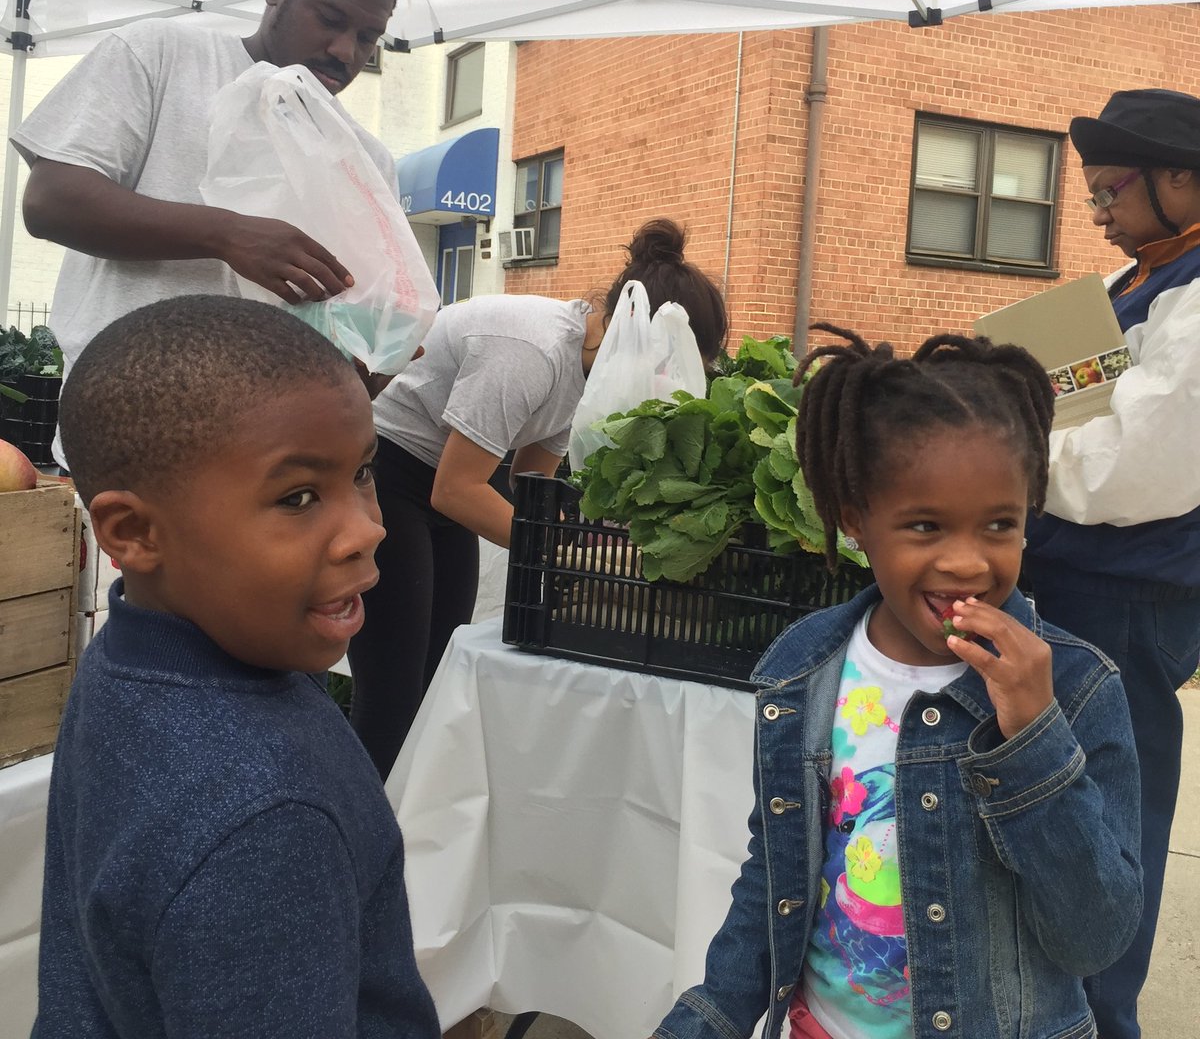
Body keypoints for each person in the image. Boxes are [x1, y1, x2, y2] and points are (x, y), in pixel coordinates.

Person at [654, 324, 1142, 1039]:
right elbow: (777, 881)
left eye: (999, 525)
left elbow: (1095, 937)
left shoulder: (1076, 689)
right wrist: (710, 1016)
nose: (969, 563)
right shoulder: (805, 671)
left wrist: (1034, 739)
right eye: (925, 527)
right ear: (856, 521)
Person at [35, 295, 439, 1039]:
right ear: (134, 533)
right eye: (298, 497)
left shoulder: (130, 654)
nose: (369, 528)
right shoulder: (266, 823)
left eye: (364, 473)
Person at [11, 0, 405, 463]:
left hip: (278, 453)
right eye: (331, 19)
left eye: (369, 37)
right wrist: (227, 235)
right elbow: (52, 200)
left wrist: (382, 350)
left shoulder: (367, 160)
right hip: (135, 432)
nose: (346, 51)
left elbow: (364, 325)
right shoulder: (161, 55)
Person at [351, 217, 727, 779]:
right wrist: (573, 554)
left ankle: (412, 821)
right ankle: (360, 831)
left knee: (443, 662)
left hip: (448, 476)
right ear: (639, 333)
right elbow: (458, 491)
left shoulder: (593, 370)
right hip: (393, 466)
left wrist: (584, 534)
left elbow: (531, 487)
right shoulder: (532, 351)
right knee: (395, 681)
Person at [1022, 87, 1200, 1039]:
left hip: (1129, 592)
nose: (1095, 209)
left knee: (1110, 815)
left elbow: (1134, 466)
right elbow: (1072, 402)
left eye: (1111, 188)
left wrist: (1007, 458)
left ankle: (1100, 1016)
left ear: (1183, 179)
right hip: (1078, 575)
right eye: (1089, 191)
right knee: (1066, 794)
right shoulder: (1140, 283)